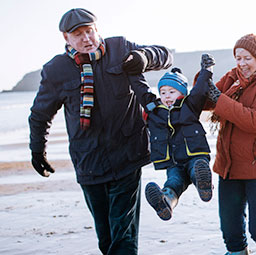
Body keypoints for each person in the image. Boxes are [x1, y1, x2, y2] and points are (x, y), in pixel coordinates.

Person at [28, 8, 172, 254]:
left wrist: (144, 57)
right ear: (66, 38)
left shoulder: (120, 49)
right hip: (89, 163)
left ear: (97, 29)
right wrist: (37, 150)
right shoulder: (56, 70)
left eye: (89, 31)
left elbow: (165, 55)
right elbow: (40, 115)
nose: (86, 39)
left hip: (127, 156)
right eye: (78, 34)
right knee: (106, 239)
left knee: (124, 236)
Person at [204, 34, 256, 255]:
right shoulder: (232, 77)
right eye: (238, 57)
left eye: (247, 58)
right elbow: (203, 100)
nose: (241, 63)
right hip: (229, 166)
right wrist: (204, 78)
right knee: (231, 236)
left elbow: (255, 121)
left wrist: (218, 99)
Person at [144, 55, 216, 221]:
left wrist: (207, 70)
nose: (167, 96)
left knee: (196, 169)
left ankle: (203, 185)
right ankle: (166, 202)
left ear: (182, 93)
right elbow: (142, 93)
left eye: (171, 91)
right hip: (174, 162)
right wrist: (133, 72)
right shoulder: (155, 112)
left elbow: (199, 90)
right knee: (174, 182)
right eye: (163, 92)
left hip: (194, 156)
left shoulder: (189, 105)